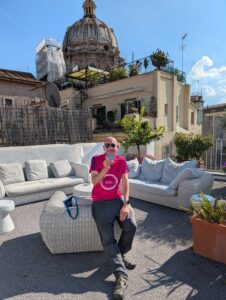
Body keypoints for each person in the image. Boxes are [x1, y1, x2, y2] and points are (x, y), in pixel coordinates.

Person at [90, 136, 137, 300]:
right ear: (104, 148)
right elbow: (94, 182)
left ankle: (120, 255)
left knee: (131, 225)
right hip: (100, 204)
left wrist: (126, 203)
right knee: (108, 240)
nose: (110, 147)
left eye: (113, 145)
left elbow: (125, 183)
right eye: (107, 145)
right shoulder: (96, 160)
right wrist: (105, 168)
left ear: (118, 147)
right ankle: (121, 276)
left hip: (118, 201)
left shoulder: (122, 160)